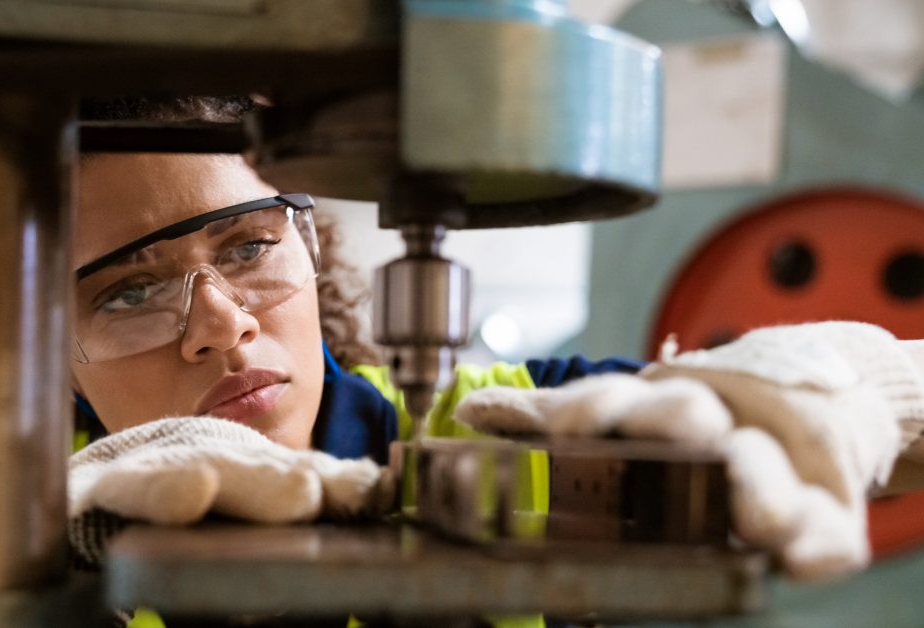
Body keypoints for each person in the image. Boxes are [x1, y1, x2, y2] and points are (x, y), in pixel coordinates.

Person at [65, 97, 924, 625]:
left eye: (250, 246)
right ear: (42, 357)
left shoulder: (508, 429)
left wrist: (847, 386)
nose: (221, 324)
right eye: (126, 294)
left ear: (311, 248)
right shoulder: (7, 534)